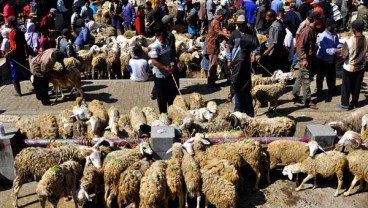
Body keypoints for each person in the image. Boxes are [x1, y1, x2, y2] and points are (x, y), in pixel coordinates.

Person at [227, 15, 258, 114]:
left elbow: (255, 46)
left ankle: (248, 111)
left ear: (245, 24)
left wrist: (254, 54)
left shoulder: (251, 33)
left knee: (246, 86)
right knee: (236, 84)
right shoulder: (234, 34)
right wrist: (229, 59)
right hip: (236, 63)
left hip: (245, 63)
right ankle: (237, 109)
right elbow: (229, 48)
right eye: (238, 25)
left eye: (242, 25)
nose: (240, 27)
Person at [291, 12, 321, 109]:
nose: (321, 20)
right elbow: (300, 46)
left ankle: (295, 94)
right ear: (315, 20)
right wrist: (304, 58)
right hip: (305, 60)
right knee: (306, 80)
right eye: (320, 19)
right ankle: (308, 101)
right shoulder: (307, 31)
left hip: (309, 59)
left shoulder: (312, 30)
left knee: (300, 77)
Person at [337, 20, 368, 110]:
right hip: (361, 67)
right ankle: (354, 103)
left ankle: (345, 105)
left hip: (349, 67)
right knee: (356, 86)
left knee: (346, 87)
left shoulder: (349, 41)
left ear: (353, 30)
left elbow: (344, 56)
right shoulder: (366, 40)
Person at [148, 24, 176, 113]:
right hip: (160, 76)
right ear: (160, 34)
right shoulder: (154, 46)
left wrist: (171, 62)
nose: (166, 35)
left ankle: (171, 113)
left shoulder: (166, 42)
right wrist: (165, 68)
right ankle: (163, 115)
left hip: (168, 75)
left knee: (170, 97)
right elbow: (154, 62)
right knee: (162, 98)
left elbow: (169, 55)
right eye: (165, 34)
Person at [4, 16, 30, 97]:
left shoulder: (12, 33)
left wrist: (8, 53)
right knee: (27, 72)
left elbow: (14, 48)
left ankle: (18, 92)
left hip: (14, 57)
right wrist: (26, 53)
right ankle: (37, 86)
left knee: (14, 75)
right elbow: (25, 44)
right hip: (22, 55)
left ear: (9, 23)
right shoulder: (20, 32)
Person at [316, 18, 341, 100]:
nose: (333, 28)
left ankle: (332, 89)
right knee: (320, 76)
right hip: (322, 59)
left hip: (331, 58)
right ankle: (319, 91)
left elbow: (337, 43)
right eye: (331, 27)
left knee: (331, 74)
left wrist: (340, 47)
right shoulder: (322, 36)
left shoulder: (334, 34)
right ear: (327, 26)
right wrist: (335, 50)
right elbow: (326, 50)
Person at [206, 9, 230, 87]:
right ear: (221, 16)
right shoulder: (216, 22)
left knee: (213, 64)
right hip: (212, 46)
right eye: (224, 17)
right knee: (213, 64)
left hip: (212, 45)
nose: (224, 19)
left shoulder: (216, 21)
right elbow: (219, 32)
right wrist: (229, 36)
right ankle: (211, 83)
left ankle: (211, 81)